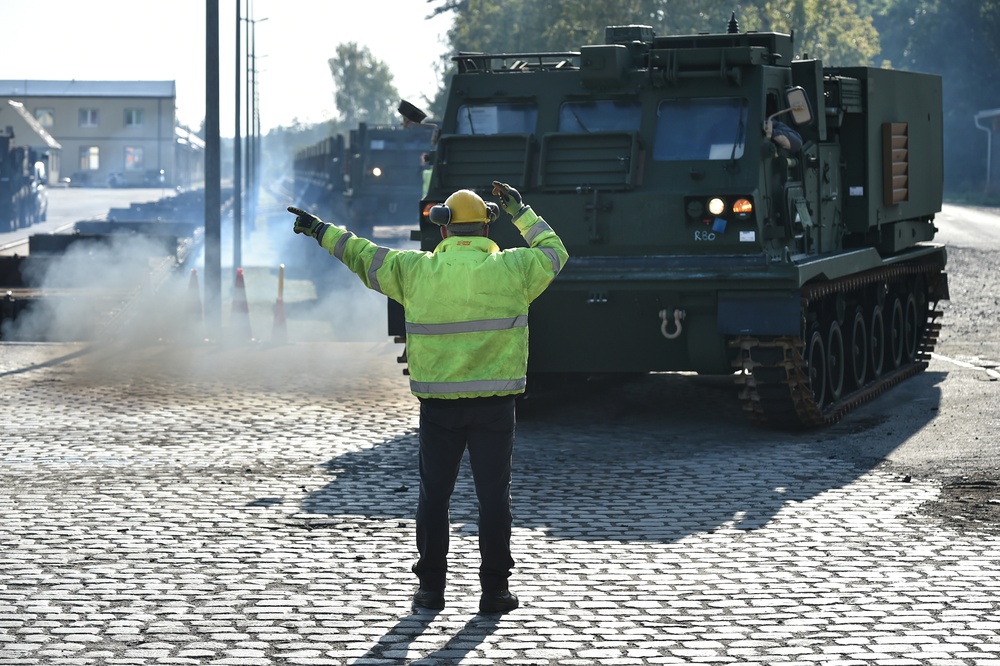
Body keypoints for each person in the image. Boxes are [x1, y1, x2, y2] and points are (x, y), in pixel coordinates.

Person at [288, 181, 568, 614]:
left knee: (434, 497)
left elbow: (361, 253)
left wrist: (320, 228)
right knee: (494, 498)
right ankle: (494, 592)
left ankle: (430, 592)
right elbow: (555, 251)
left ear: (443, 231)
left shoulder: (413, 271)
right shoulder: (514, 270)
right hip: (495, 406)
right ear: (486, 230)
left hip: (439, 411)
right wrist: (521, 212)